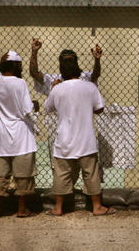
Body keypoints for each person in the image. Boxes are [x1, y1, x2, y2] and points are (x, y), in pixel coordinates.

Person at [43, 60, 115, 216]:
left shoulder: (58, 89)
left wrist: (54, 89)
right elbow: (100, 109)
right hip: (86, 139)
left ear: (62, 73)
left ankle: (58, 208)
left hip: (64, 140)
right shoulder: (90, 87)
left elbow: (48, 108)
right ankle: (97, 207)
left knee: (61, 174)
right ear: (79, 71)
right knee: (91, 173)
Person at [0, 51, 40, 218]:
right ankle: (22, 209)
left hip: (1, 136)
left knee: (0, 174)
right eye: (19, 64)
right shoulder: (20, 83)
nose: (21, 68)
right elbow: (27, 109)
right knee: (23, 175)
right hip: (20, 135)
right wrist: (35, 104)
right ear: (15, 65)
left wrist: (0, 61)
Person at [29, 38, 102, 97]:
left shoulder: (83, 77)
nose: (68, 65)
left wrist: (97, 60)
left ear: (76, 63)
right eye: (66, 62)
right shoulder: (55, 79)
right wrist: (34, 52)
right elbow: (34, 73)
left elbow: (95, 75)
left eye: (70, 61)